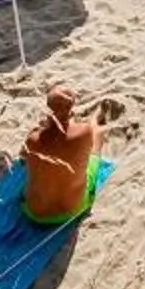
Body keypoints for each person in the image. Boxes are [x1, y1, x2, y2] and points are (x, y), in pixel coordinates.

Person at [21, 86, 105, 227]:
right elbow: (80, 144)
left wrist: (44, 129)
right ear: (71, 106)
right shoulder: (83, 132)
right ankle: (97, 116)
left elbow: (23, 158)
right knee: (97, 134)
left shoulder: (33, 138)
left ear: (48, 107)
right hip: (72, 210)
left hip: (33, 212)